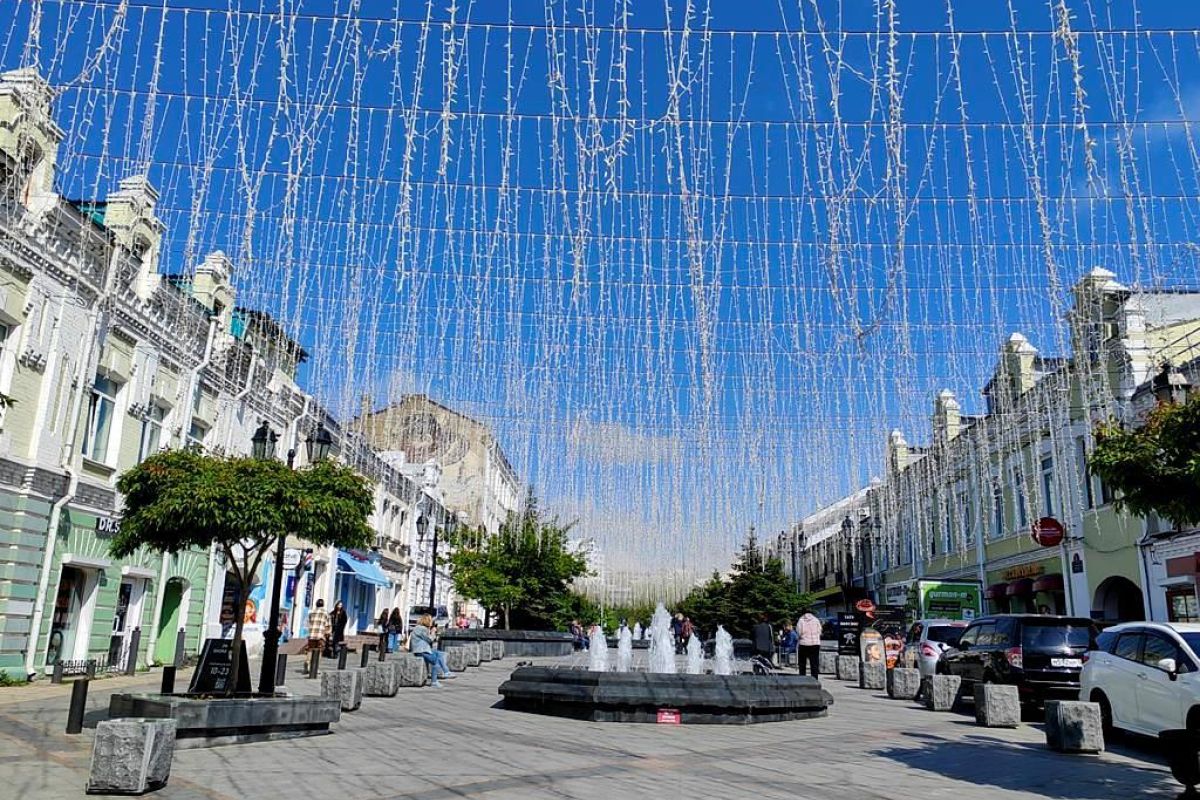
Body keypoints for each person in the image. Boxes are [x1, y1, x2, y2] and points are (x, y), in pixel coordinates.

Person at [408, 614, 453, 686]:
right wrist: (433, 632)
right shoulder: (422, 629)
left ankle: (446, 671)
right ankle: (434, 681)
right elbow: (429, 640)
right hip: (422, 650)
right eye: (431, 620)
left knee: (439, 654)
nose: (432, 622)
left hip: (422, 649)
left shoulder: (418, 628)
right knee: (436, 662)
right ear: (427, 621)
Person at [303, 599, 331, 673]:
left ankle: (307, 663)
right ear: (323, 605)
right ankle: (315, 667)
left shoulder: (311, 612)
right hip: (320, 635)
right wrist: (328, 634)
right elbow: (328, 625)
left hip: (311, 634)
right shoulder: (325, 613)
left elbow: (308, 622)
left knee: (310, 649)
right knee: (319, 651)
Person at [796, 607, 822, 678]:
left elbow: (799, 632)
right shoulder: (816, 620)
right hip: (815, 643)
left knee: (802, 663)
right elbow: (819, 631)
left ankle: (802, 677)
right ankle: (814, 678)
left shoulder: (801, 620)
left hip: (804, 643)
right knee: (814, 663)